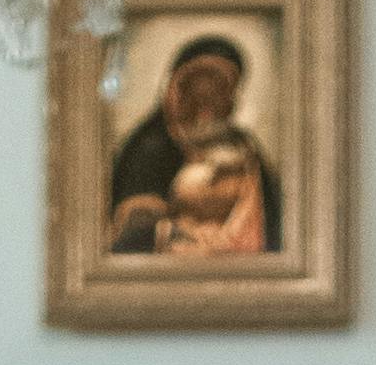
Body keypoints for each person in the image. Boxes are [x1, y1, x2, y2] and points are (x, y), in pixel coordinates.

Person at [103, 35, 279, 266]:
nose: (206, 106)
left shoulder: (244, 146)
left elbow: (273, 227)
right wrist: (183, 233)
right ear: (176, 92)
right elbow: (130, 236)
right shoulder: (149, 147)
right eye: (196, 91)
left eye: (218, 91)